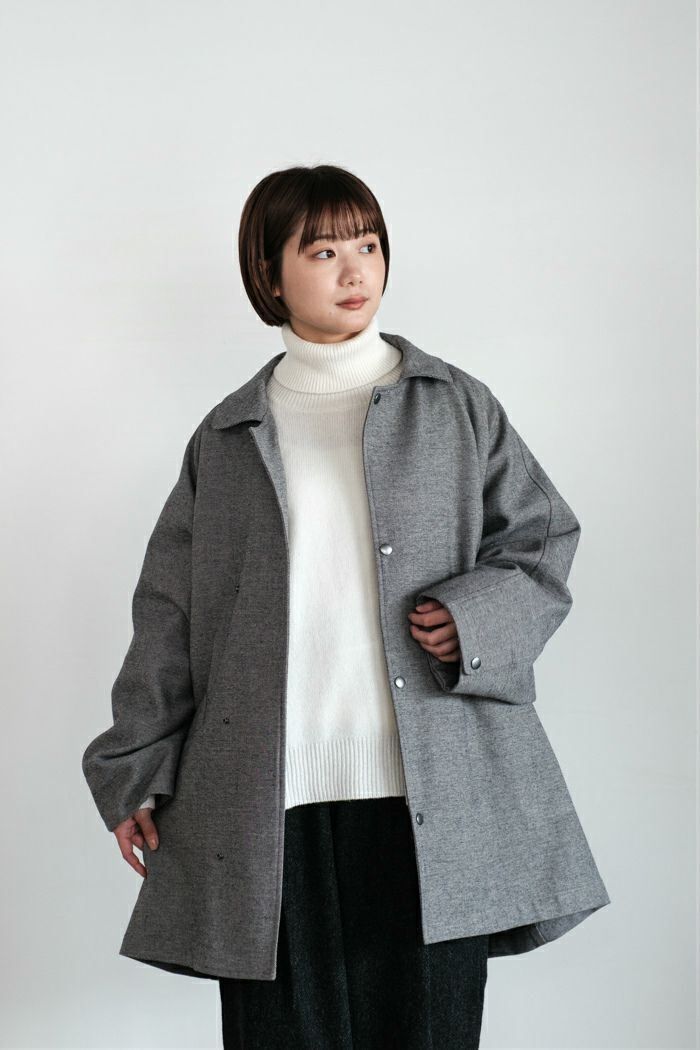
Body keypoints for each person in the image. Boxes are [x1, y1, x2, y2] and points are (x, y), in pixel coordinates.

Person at [82, 163, 610, 1050]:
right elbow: (169, 611)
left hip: (431, 795)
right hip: (267, 804)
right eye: (323, 251)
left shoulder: (456, 406)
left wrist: (473, 620)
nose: (355, 269)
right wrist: (135, 766)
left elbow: (542, 539)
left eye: (367, 244)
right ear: (270, 273)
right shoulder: (228, 436)